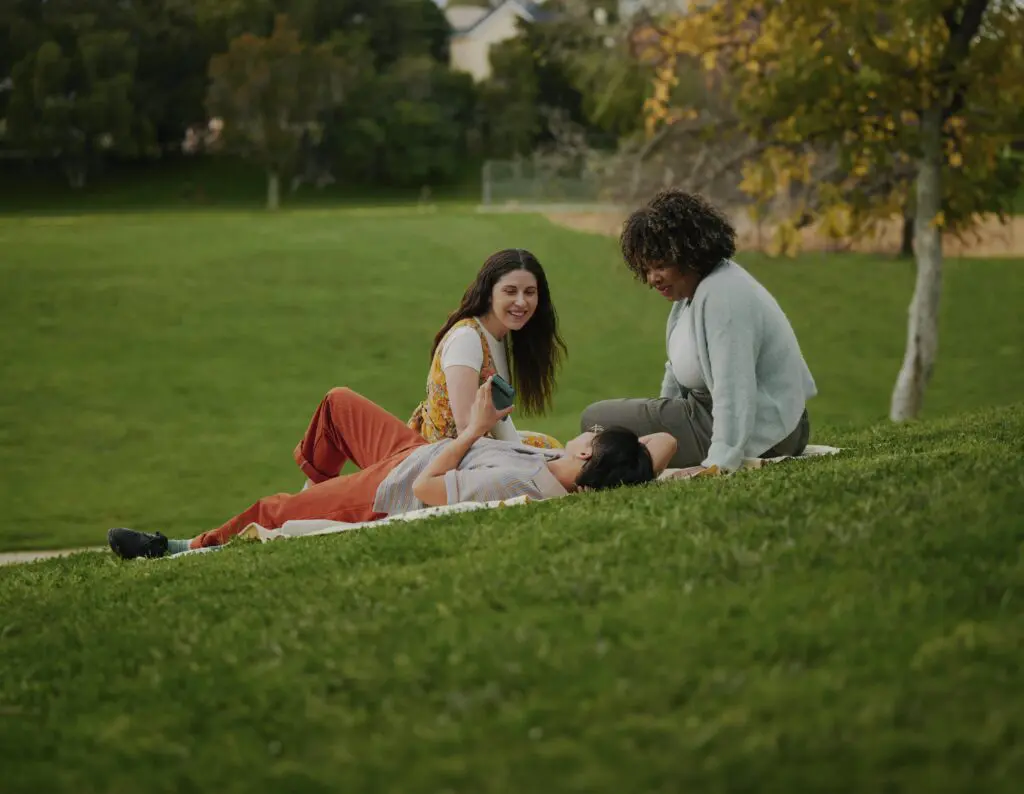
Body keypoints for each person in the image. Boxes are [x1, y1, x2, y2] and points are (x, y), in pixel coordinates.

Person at [108, 379, 675, 560]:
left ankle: (179, 550)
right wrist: (623, 467)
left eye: (593, 438)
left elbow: (429, 491)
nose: (588, 432)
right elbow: (663, 440)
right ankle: (322, 496)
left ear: (585, 455)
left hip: (393, 486)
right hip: (411, 449)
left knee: (270, 513)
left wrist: (475, 429)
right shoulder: (570, 468)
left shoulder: (520, 484)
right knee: (338, 404)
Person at [580, 189, 817, 477]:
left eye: (660, 266)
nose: (652, 279)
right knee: (598, 424)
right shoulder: (691, 296)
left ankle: (621, 473)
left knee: (596, 423)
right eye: (645, 269)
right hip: (704, 413)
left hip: (767, 432)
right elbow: (675, 370)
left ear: (689, 253)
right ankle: (637, 466)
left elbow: (735, 386)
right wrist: (658, 431)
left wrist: (719, 463)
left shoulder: (724, 296)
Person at [409, 248, 565, 449]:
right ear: (489, 293)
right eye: (510, 291)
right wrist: (526, 458)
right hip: (450, 455)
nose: (521, 301)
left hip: (484, 446)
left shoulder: (498, 339)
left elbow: (500, 423)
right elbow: (466, 429)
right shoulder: (467, 338)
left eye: (529, 292)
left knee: (553, 448)